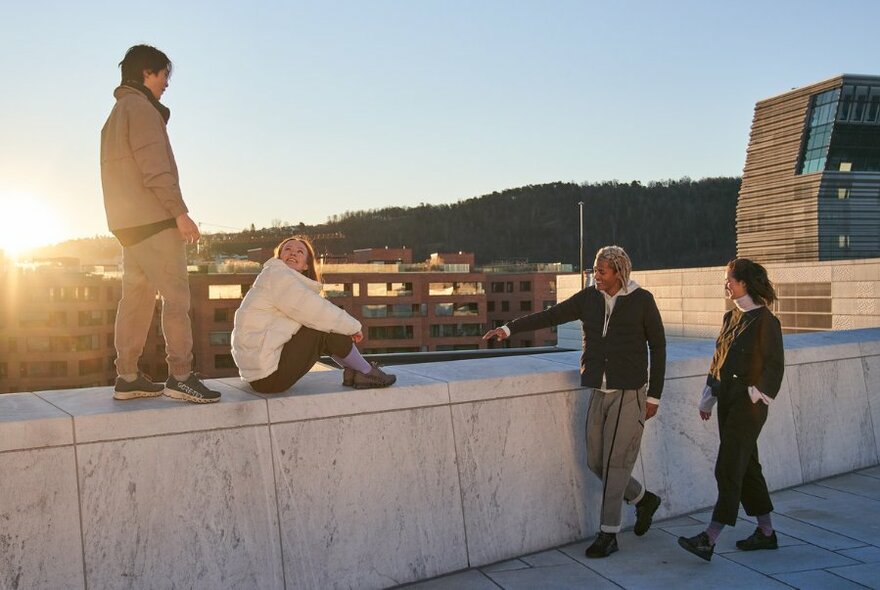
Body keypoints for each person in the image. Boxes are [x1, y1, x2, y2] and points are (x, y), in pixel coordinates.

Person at [483, 245, 666, 558]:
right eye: (594, 269)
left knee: (616, 464)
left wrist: (654, 396)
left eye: (602, 271)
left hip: (629, 392)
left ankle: (609, 534)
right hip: (599, 390)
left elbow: (659, 348)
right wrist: (509, 328)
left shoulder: (642, 301)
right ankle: (642, 499)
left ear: (618, 273)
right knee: (596, 461)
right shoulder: (589, 298)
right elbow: (552, 315)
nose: (595, 275)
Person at [101, 44, 220, 403]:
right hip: (155, 220)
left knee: (135, 300)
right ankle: (181, 375)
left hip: (129, 226)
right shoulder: (142, 110)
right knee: (176, 298)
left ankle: (127, 376)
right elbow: (156, 169)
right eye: (163, 74)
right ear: (146, 73)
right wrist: (179, 212)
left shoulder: (115, 114)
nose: (167, 82)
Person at [678, 258, 784, 561]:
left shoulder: (766, 321)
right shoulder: (730, 317)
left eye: (730, 280)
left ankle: (709, 538)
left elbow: (775, 366)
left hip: (748, 407)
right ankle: (766, 532)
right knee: (748, 466)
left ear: (744, 284)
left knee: (727, 466)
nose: (726, 284)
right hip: (727, 401)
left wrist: (756, 394)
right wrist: (707, 399)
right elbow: (718, 362)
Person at [231, 236, 396, 392]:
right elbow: (318, 312)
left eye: (300, 251)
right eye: (287, 249)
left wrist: (343, 328)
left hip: (260, 374)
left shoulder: (275, 278)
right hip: (268, 376)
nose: (293, 252)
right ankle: (366, 372)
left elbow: (315, 312)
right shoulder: (278, 276)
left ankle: (355, 370)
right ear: (279, 258)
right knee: (322, 327)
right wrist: (353, 327)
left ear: (306, 266)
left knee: (323, 324)